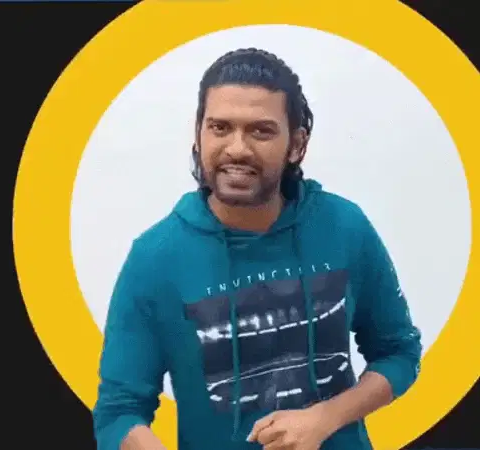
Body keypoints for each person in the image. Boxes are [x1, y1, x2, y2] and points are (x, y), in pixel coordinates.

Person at [92, 47, 422, 450]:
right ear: (198, 134)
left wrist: (326, 418)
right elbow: (119, 413)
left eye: (261, 131)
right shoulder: (155, 258)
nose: (237, 148)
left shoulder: (344, 227)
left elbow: (399, 353)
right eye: (220, 127)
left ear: (296, 144)